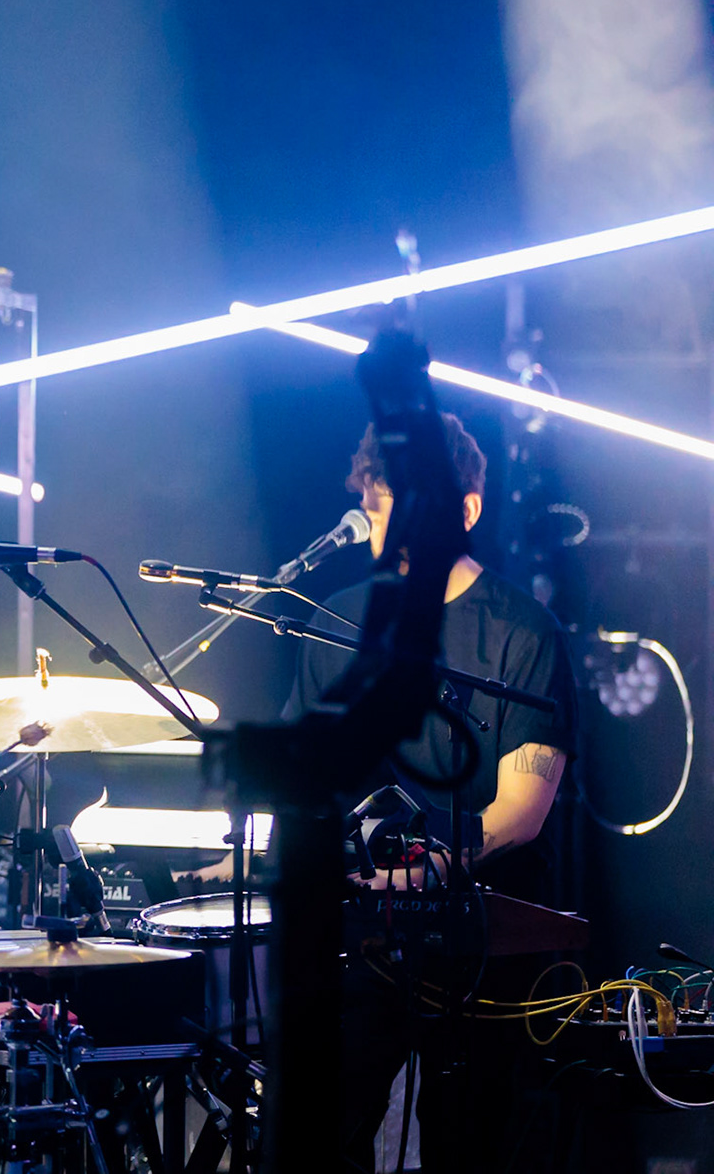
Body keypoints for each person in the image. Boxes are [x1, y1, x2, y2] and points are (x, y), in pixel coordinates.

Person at [283, 413, 578, 1173]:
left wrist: (424, 873)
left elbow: (521, 811)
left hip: (483, 939)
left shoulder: (523, 633)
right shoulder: (338, 624)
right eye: (382, 503)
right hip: (361, 935)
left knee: (470, 1140)